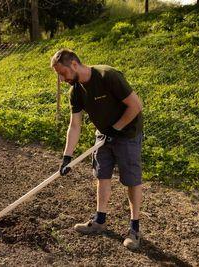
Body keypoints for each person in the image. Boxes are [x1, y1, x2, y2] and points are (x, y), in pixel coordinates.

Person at [51, 49, 143, 250]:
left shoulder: (107, 76)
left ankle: (134, 229)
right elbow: (75, 125)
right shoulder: (75, 91)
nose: (62, 78)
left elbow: (136, 105)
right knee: (102, 175)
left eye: (62, 73)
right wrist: (67, 157)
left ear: (74, 64)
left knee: (131, 179)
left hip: (127, 133)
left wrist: (116, 129)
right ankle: (99, 220)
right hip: (103, 134)